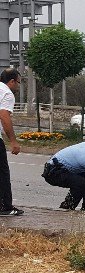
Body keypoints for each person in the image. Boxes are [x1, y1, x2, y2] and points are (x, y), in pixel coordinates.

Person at [0, 68, 24, 216]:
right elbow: (4, 116)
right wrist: (13, 141)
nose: (18, 86)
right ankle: (5, 207)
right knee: (2, 173)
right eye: (19, 83)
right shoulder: (7, 93)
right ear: (12, 81)